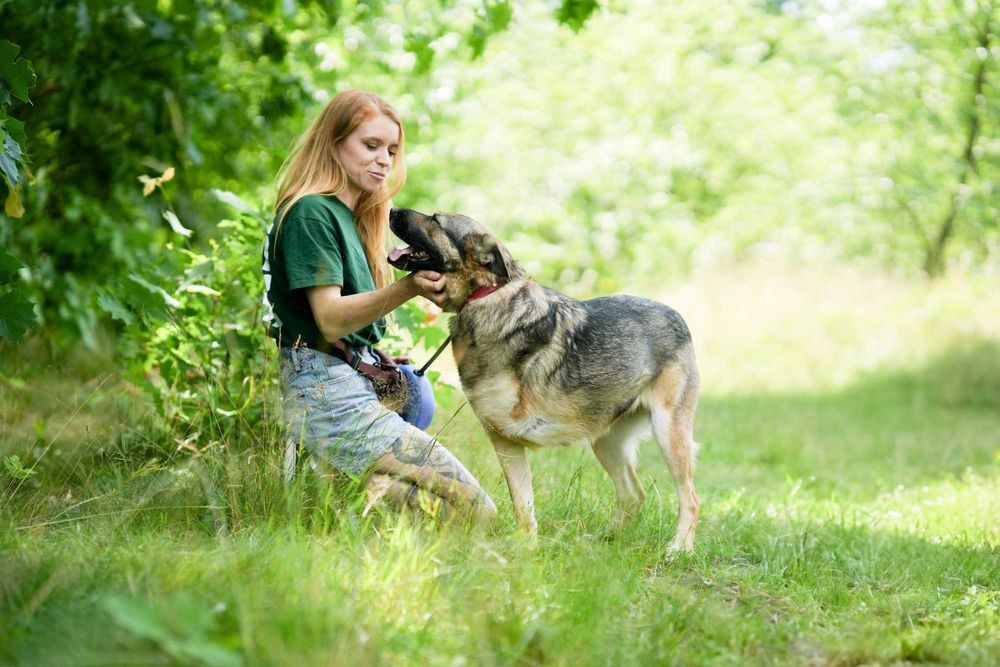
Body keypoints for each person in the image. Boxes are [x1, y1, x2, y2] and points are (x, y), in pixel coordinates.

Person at [262, 89, 496, 523]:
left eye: (390, 149)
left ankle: (342, 497)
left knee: (462, 507)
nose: (384, 159)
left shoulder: (352, 217)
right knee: (477, 512)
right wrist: (407, 289)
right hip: (324, 390)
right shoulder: (312, 213)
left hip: (349, 379)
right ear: (333, 143)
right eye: (370, 146)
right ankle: (341, 498)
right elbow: (330, 320)